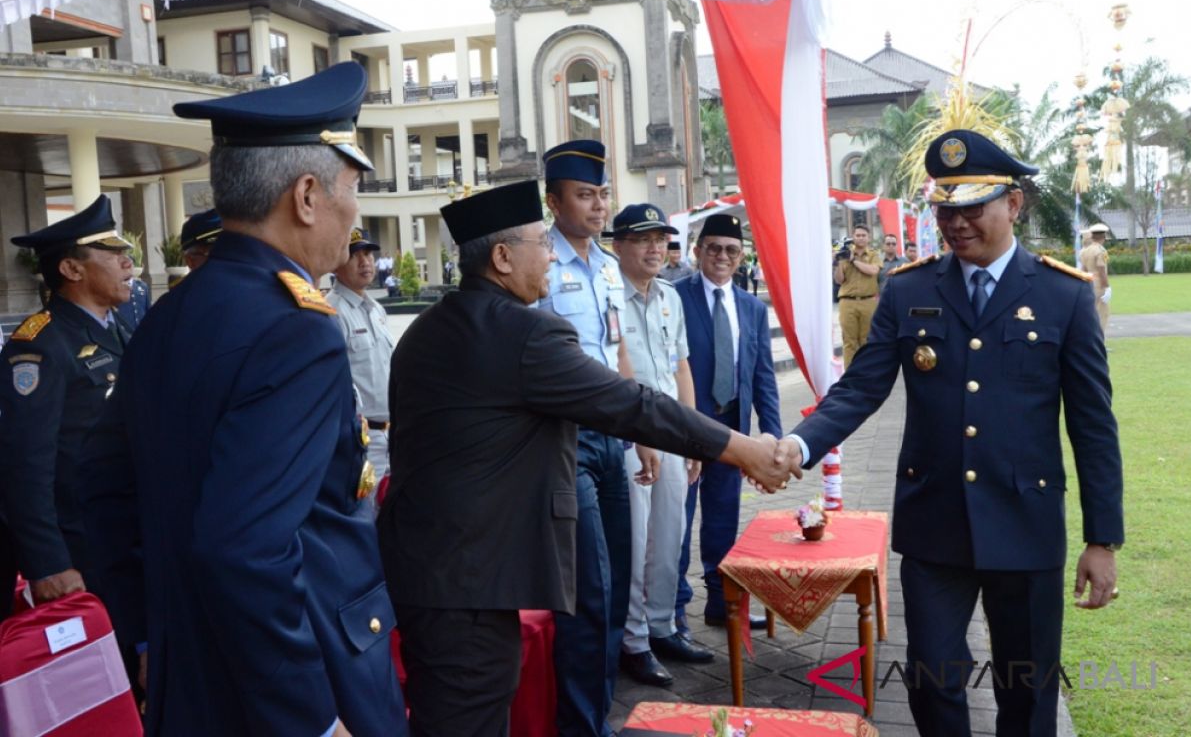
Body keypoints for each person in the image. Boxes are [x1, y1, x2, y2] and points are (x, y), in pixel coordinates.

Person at [378, 181, 795, 737]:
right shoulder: (525, 332)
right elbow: (632, 405)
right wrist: (741, 448)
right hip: (473, 582)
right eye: (538, 243)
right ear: (502, 257)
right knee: (471, 713)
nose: (551, 254)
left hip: (429, 570)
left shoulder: (431, 327)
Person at [78, 62, 407, 737]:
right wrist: (311, 718)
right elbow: (244, 549)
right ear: (307, 195)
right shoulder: (296, 328)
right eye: (353, 191)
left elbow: (98, 493)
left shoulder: (169, 315)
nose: (355, 216)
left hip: (187, 675)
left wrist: (147, 638)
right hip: (300, 679)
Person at [778, 129, 1123, 737]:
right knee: (931, 676)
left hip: (1025, 520)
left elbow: (1093, 426)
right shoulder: (910, 288)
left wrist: (1103, 539)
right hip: (936, 520)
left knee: (1028, 687)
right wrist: (801, 443)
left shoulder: (1063, 296)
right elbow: (862, 388)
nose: (955, 223)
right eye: (945, 209)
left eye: (972, 208)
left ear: (1013, 204)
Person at [538, 138, 638, 735]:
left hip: (611, 440)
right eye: (585, 194)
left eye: (603, 194)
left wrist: (642, 436)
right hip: (565, 444)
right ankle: (581, 725)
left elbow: (616, 346)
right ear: (554, 201)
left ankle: (598, 711)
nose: (599, 206)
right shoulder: (539, 261)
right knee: (588, 591)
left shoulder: (605, 263)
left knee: (616, 584)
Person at [0, 195, 134, 618]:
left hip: (125, 530)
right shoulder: (39, 345)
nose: (127, 261)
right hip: (80, 545)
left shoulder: (121, 330)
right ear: (72, 269)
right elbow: (25, 462)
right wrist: (48, 562)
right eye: (112, 253)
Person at [607, 204, 715, 688]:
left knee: (671, 532)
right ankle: (633, 640)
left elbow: (681, 368)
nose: (655, 248)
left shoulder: (670, 296)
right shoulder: (608, 297)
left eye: (661, 240)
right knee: (637, 537)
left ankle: (662, 625)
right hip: (629, 432)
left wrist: (693, 436)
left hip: (670, 431)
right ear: (619, 245)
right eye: (642, 239)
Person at [675, 213, 783, 631]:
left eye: (731, 250)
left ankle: (721, 602)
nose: (722, 256)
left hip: (731, 429)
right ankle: (673, 610)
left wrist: (770, 433)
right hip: (683, 430)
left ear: (741, 257)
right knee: (678, 522)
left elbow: (763, 375)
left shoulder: (752, 307)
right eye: (714, 248)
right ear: (698, 251)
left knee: (722, 518)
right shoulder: (675, 296)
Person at [326, 226, 395, 518]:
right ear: (338, 260)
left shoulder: (377, 309)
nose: (365, 261)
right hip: (361, 439)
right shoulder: (332, 311)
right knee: (367, 519)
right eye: (355, 255)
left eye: (368, 254)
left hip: (391, 434)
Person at [835, 224, 883, 368]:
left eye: (863, 235)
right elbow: (839, 280)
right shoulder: (845, 255)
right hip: (847, 302)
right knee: (849, 341)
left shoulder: (873, 255)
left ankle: (866, 372)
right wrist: (836, 262)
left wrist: (853, 260)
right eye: (858, 235)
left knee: (866, 340)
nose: (860, 238)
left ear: (868, 238)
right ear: (853, 237)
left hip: (868, 301)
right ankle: (850, 374)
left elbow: (873, 271)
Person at [1079, 223, 1112, 335]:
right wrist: (1107, 287)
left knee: (1091, 313)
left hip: (1088, 283)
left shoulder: (1085, 251)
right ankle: (1099, 342)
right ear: (1103, 237)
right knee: (1102, 314)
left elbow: (1083, 269)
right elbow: (1102, 270)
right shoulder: (1100, 251)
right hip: (1099, 285)